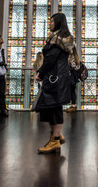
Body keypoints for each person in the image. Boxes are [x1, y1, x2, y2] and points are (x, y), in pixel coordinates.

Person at [34, 13, 76, 154]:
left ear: (58, 23)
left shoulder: (58, 39)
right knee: (49, 107)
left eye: (51, 21)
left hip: (55, 77)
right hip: (57, 77)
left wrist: (40, 72)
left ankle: (55, 139)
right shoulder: (58, 38)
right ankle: (56, 136)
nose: (50, 23)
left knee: (54, 106)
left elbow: (50, 59)